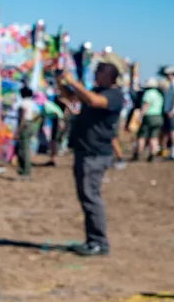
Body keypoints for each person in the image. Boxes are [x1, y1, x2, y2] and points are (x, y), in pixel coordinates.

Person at [61, 62, 125, 256]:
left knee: (91, 197)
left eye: (98, 73)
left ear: (109, 76)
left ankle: (98, 242)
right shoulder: (98, 90)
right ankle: (92, 241)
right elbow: (73, 97)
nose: (95, 76)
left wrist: (74, 81)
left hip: (95, 153)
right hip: (86, 150)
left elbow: (94, 101)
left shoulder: (114, 95)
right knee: (86, 196)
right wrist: (61, 81)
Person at [133, 78, 165, 162]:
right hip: (158, 116)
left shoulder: (148, 93)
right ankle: (152, 155)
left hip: (149, 116)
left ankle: (137, 154)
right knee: (154, 137)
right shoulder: (159, 94)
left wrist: (140, 115)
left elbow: (145, 105)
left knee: (142, 136)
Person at [14, 85, 40, 177]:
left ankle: (24, 171)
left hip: (24, 126)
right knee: (26, 148)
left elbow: (22, 117)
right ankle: (27, 170)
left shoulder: (23, 103)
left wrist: (18, 130)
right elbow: (37, 115)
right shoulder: (32, 103)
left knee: (23, 149)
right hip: (30, 124)